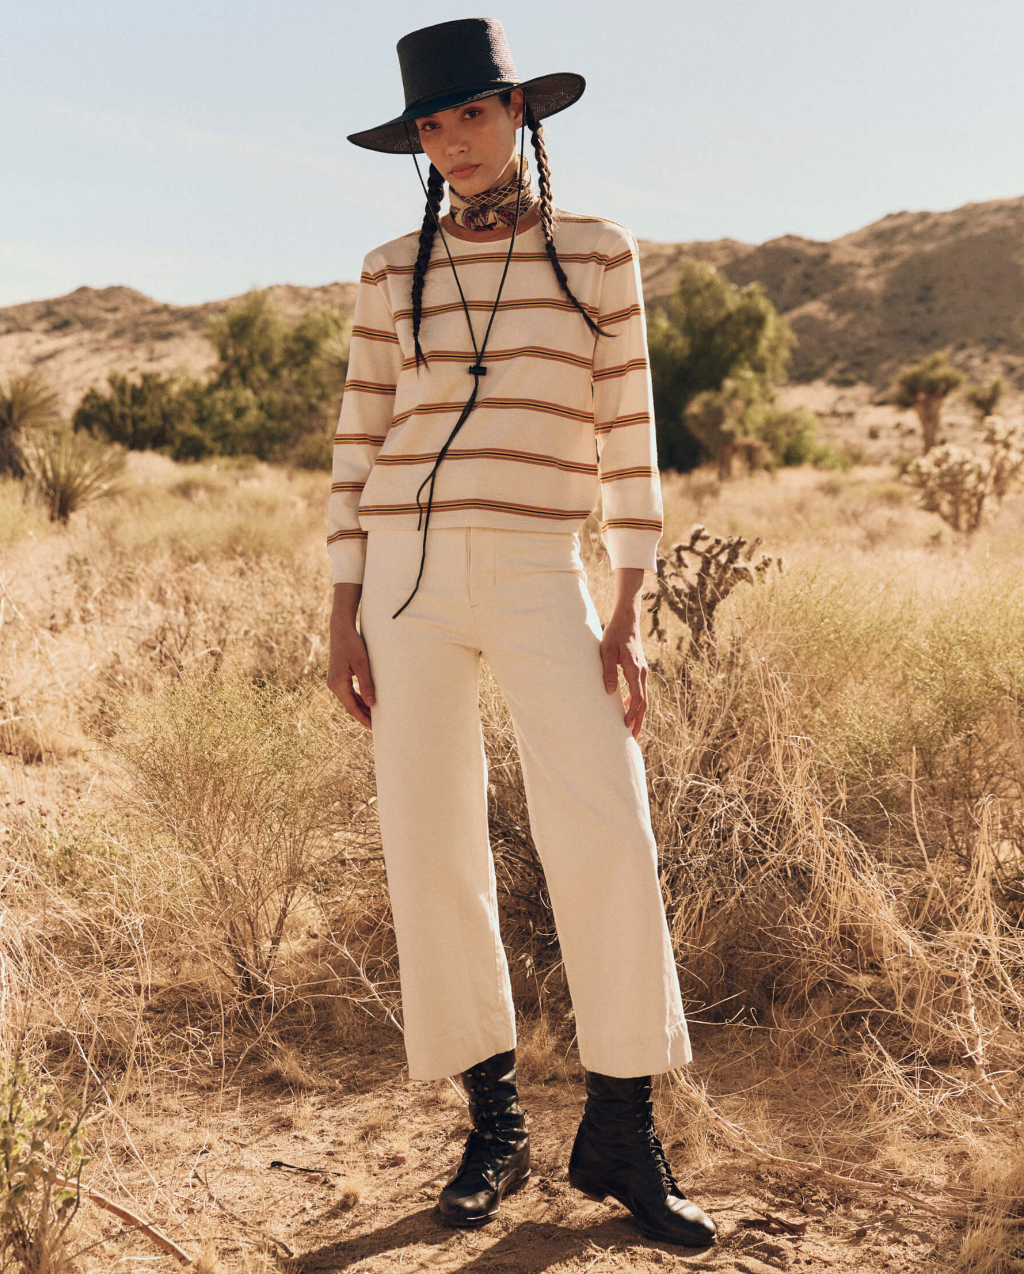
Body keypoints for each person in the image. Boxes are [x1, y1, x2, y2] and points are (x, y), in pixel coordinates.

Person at [327, 17, 716, 1249]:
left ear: (519, 117)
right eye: (432, 126)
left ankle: (618, 1125)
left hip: (548, 563)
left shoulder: (600, 254)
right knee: (428, 838)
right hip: (406, 574)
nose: (452, 143)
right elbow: (356, 443)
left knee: (608, 821)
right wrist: (341, 603)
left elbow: (628, 430)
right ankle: (491, 1122)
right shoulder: (392, 269)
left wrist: (631, 597)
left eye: (470, 116)